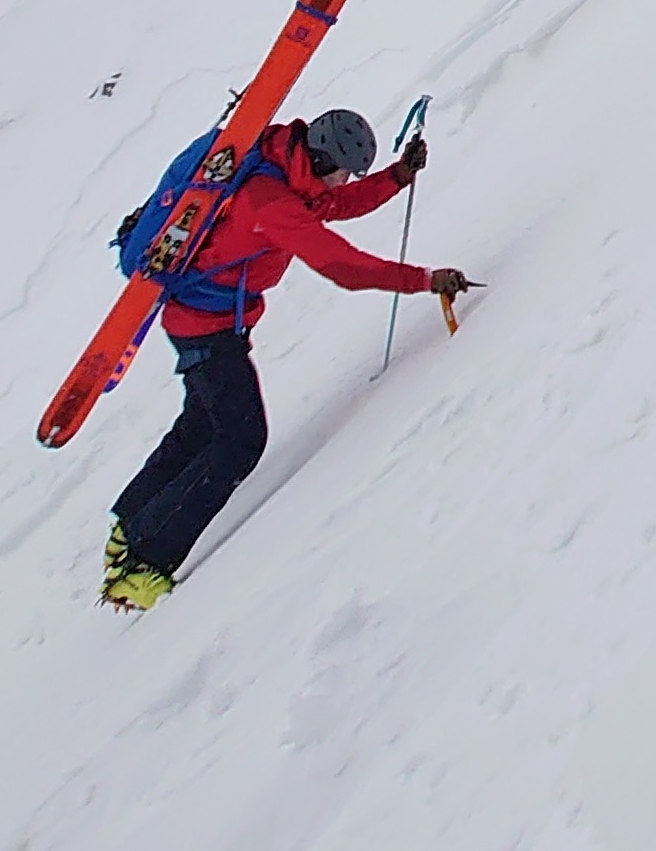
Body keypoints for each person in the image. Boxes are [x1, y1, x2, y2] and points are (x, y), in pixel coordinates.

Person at [103, 107, 472, 607]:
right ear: (322, 159)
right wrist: (423, 280)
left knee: (202, 425)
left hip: (202, 322)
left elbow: (333, 205)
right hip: (208, 332)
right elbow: (342, 264)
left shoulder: (281, 163)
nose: (343, 181)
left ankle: (131, 523)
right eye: (343, 170)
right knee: (240, 440)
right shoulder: (269, 201)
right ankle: (141, 565)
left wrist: (396, 177)